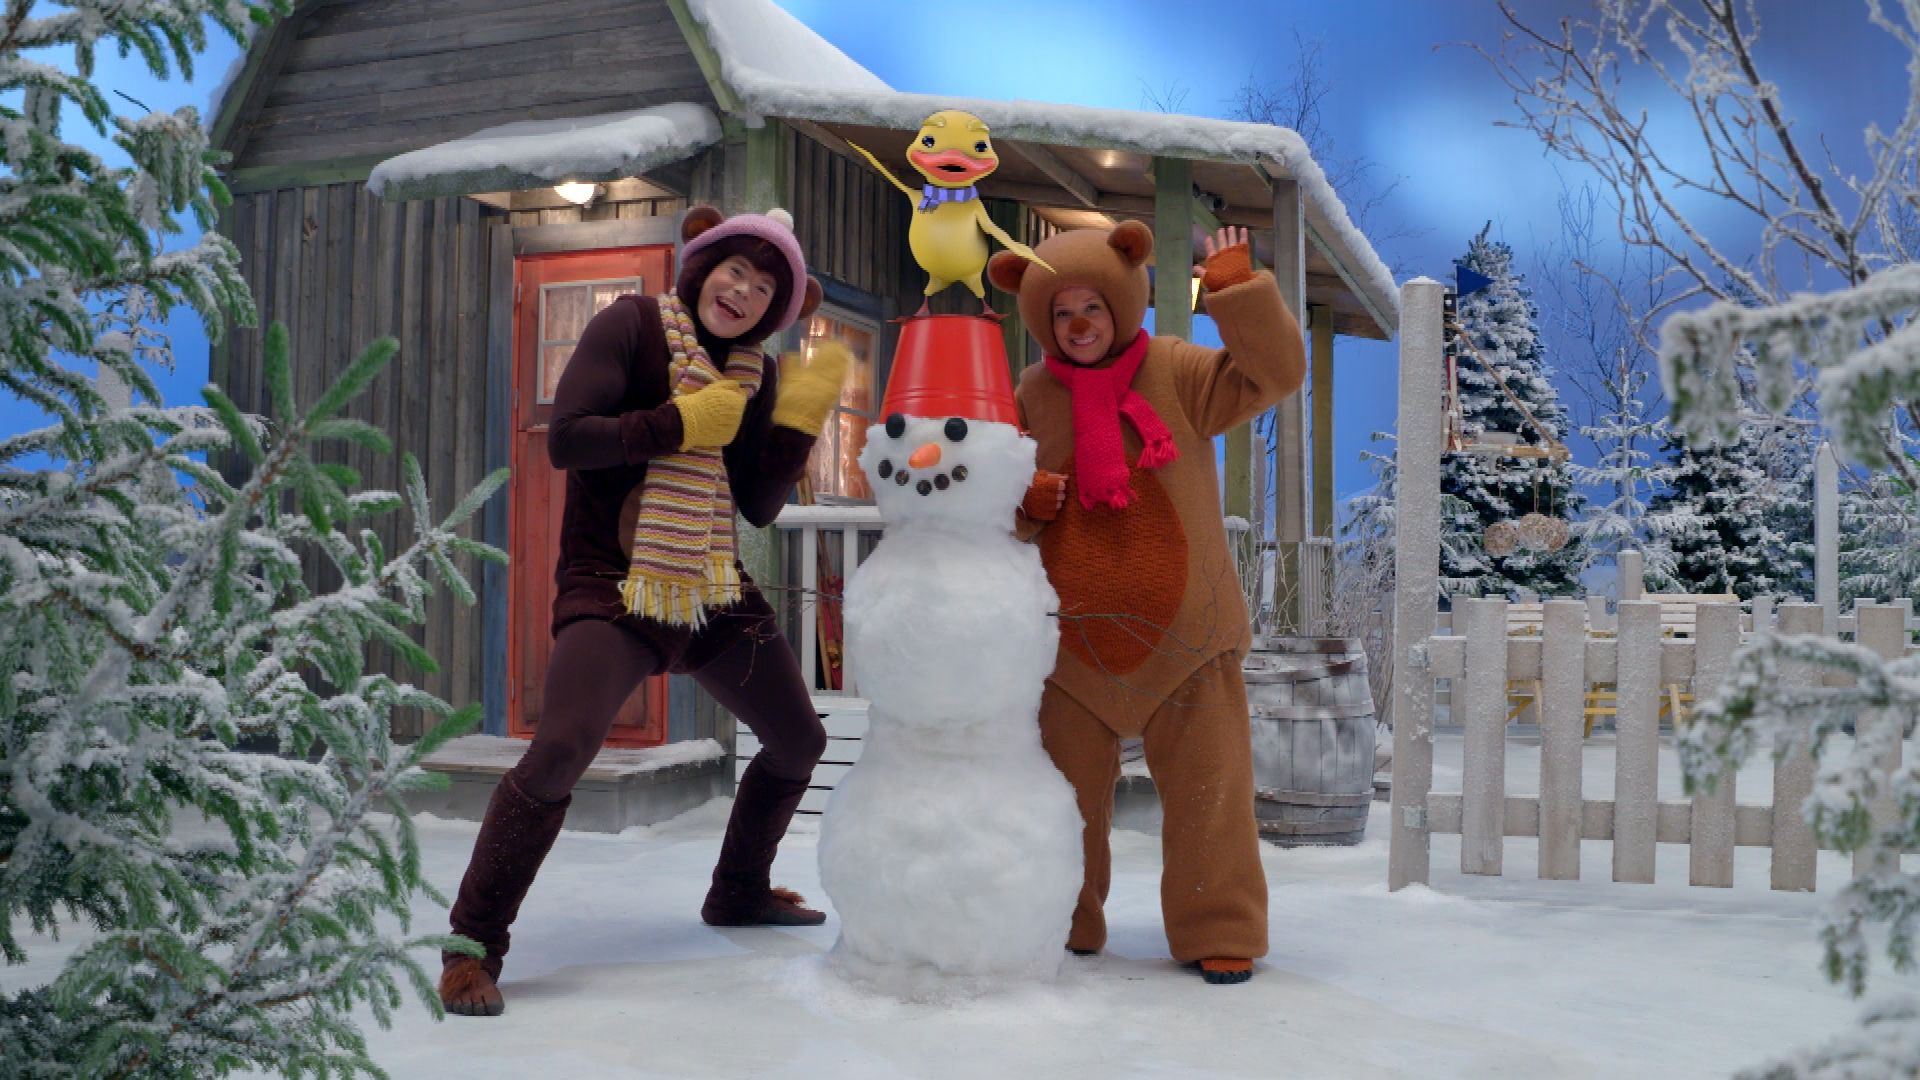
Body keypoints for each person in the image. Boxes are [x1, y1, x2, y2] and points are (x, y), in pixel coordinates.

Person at [439, 205, 850, 1017]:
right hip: (613, 583)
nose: (744, 292)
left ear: (776, 310)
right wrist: (675, 424)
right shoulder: (631, 324)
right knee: (561, 748)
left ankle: (738, 891)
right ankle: (471, 946)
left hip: (710, 586)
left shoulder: (753, 374)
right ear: (704, 268)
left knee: (799, 738)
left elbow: (758, 504)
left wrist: (795, 430)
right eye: (736, 271)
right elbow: (568, 439)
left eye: (765, 289)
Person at [987, 222, 1305, 985]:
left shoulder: (1177, 370)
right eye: (1062, 313)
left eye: (1093, 307)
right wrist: (1023, 500)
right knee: (1061, 803)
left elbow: (1274, 374)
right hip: (1071, 647)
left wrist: (1237, 292)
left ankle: (1218, 925)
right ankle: (1061, 919)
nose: (1080, 325)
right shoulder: (1030, 396)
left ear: (1123, 298)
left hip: (1189, 638)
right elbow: (996, 502)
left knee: (1210, 795)